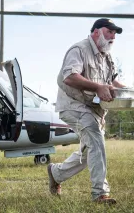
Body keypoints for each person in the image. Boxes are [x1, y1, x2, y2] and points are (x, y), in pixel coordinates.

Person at [47, 18, 125, 204]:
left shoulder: (107, 56)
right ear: (96, 32)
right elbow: (69, 77)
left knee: (89, 150)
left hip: (94, 109)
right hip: (73, 105)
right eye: (109, 32)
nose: (113, 36)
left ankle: (55, 173)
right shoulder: (79, 50)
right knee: (96, 142)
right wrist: (98, 87)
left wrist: (131, 93)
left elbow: (112, 81)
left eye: (115, 34)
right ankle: (100, 193)